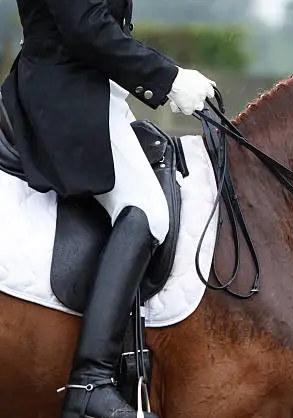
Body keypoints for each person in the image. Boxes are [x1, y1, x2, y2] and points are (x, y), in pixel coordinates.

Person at [0, 1, 216, 417]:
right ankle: (90, 383)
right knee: (147, 210)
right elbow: (84, 25)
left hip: (89, 86)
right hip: (65, 92)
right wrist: (167, 79)